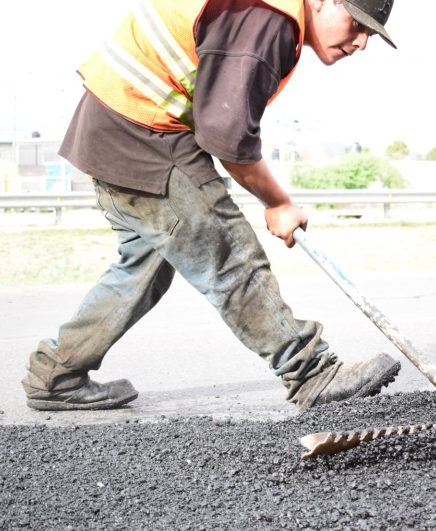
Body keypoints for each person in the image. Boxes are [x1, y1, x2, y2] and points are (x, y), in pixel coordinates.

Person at [21, 0, 401, 411]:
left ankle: (57, 373)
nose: (362, 42)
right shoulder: (271, 17)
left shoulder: (265, 12)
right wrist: (278, 202)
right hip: (141, 131)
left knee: (144, 267)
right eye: (358, 24)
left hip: (111, 124)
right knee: (228, 252)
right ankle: (311, 373)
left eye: (372, 33)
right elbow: (226, 133)